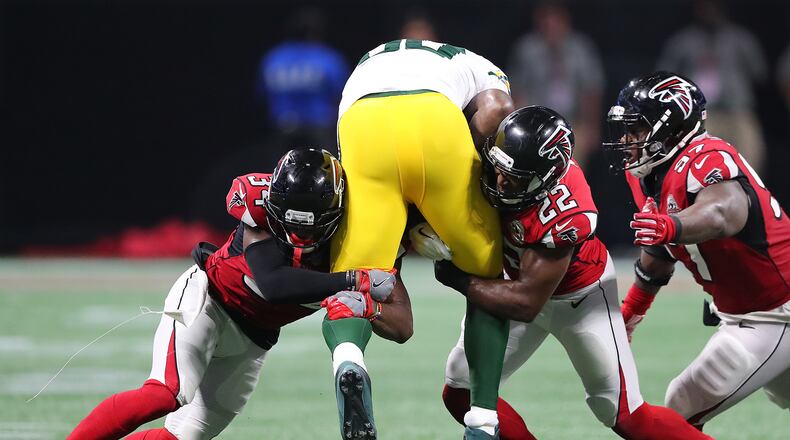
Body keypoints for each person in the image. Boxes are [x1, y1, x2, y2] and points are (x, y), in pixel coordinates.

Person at [67, 148, 413, 439]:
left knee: (183, 437)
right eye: (287, 223)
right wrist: (351, 280)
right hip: (208, 302)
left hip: (253, 339)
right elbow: (273, 284)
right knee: (164, 393)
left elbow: (403, 327)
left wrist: (370, 308)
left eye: (308, 225)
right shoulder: (258, 207)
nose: (297, 237)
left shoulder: (361, 238)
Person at [431, 106, 713, 440]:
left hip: (579, 298)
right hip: (518, 284)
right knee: (461, 389)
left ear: (545, 178)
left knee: (622, 413)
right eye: (498, 168)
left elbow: (525, 304)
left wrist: (457, 277)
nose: (501, 181)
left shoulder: (566, 213)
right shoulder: (500, 165)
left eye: (516, 177)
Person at [325, 38, 514, 439]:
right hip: (434, 122)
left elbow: (345, 143)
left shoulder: (369, 62)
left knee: (353, 284)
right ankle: (483, 421)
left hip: (363, 124)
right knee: (488, 278)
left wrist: (401, 226)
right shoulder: (477, 62)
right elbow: (499, 109)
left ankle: (348, 358)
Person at [603, 71, 790, 431]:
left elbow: (725, 212)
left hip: (774, 311)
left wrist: (673, 225)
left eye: (637, 129)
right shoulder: (649, 172)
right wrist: (630, 314)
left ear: (669, 128)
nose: (627, 139)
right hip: (752, 310)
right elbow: (659, 252)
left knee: (679, 410)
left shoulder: (707, 156)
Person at [657, 0, 768, 174]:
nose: (710, 11)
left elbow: (759, 73)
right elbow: (665, 78)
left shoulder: (740, 38)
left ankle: (748, 199)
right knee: (702, 167)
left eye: (714, 6)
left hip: (739, 112)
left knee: (750, 165)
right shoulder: (683, 41)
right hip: (703, 115)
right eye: (705, 7)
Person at [506, 0, 605, 170]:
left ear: (565, 21)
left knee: (571, 170)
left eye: (555, 20)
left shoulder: (581, 48)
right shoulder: (527, 49)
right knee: (536, 170)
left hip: (573, 122)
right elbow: (517, 90)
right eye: (545, 20)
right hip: (536, 124)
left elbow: (592, 90)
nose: (551, 25)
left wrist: (591, 126)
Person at [255, 7, 350, 149]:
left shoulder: (274, 57)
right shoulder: (327, 57)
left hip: (282, 126)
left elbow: (261, 94)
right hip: (319, 128)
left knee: (279, 168)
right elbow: (342, 96)